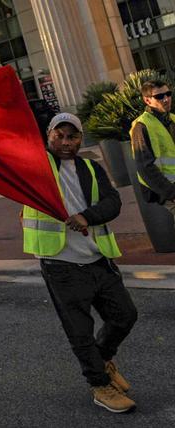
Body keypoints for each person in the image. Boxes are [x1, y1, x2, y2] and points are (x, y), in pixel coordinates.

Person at [23, 113, 137, 414]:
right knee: (80, 330)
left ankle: (103, 360)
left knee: (125, 315)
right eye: (58, 135)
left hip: (97, 257)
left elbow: (113, 201)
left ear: (80, 138)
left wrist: (87, 216)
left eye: (72, 136)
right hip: (60, 262)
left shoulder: (90, 167)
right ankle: (99, 385)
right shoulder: (36, 166)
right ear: (48, 136)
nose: (65, 142)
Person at [131, 80, 175, 221]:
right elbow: (145, 167)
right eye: (159, 96)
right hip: (167, 189)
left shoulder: (172, 118)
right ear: (147, 100)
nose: (166, 99)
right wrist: (171, 193)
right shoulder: (141, 126)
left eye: (168, 94)